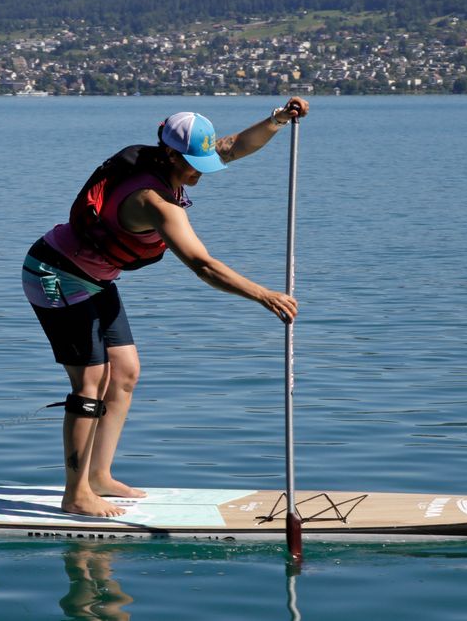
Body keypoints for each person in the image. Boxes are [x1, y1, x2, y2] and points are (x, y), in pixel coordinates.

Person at [22, 98, 309, 517]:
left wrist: (278, 120)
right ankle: (76, 493)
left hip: (95, 277)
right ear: (171, 155)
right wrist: (264, 295)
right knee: (90, 382)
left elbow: (234, 146)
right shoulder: (154, 202)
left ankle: (99, 475)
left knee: (125, 373)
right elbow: (202, 264)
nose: (200, 172)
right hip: (56, 274)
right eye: (194, 163)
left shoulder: (173, 163)